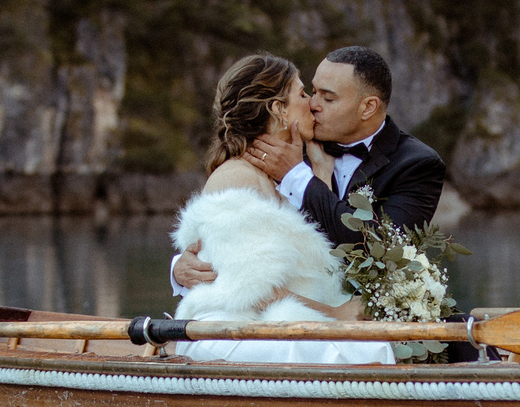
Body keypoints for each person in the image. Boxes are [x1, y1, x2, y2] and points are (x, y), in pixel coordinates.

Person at [169, 54, 394, 368]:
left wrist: (321, 173)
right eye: (302, 94)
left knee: (371, 349)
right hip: (229, 330)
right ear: (278, 110)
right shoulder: (237, 177)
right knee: (356, 353)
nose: (312, 103)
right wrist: (336, 316)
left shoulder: (289, 177)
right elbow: (252, 288)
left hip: (265, 321)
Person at [173, 46, 446, 293]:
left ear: (367, 107)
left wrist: (298, 177)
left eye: (328, 98)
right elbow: (226, 231)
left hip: (368, 313)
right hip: (287, 313)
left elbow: (384, 248)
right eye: (311, 92)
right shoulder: (282, 147)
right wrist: (181, 267)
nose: (313, 104)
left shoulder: (417, 164)